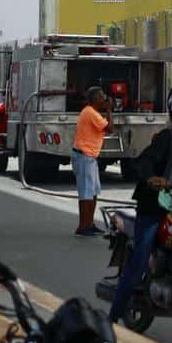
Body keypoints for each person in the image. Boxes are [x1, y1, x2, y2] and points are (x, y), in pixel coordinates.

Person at [108, 78, 172, 325]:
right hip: (154, 207)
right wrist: (152, 177)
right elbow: (142, 162)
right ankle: (111, 318)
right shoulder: (168, 137)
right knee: (139, 260)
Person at [73, 87, 112, 236]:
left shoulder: (92, 112)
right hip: (84, 157)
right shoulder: (90, 112)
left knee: (93, 191)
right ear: (95, 98)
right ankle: (83, 226)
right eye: (102, 96)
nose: (104, 99)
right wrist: (109, 110)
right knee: (86, 193)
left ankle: (89, 223)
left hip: (90, 157)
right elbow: (111, 128)